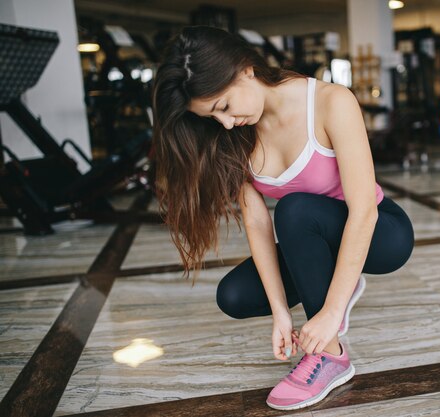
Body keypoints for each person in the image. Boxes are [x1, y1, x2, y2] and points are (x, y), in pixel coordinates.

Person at [152, 26, 414, 411]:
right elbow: (257, 223)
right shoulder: (235, 137)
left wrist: (330, 313)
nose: (225, 123)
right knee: (234, 295)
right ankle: (337, 286)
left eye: (223, 106)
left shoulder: (330, 102)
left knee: (295, 209)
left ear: (244, 69)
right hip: (313, 236)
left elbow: (363, 211)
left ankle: (331, 357)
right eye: (213, 117)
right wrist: (279, 314)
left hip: (381, 233)